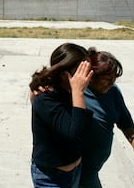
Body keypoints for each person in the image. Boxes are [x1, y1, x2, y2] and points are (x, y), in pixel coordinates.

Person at [79, 47, 134, 188]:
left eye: (114, 79)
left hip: (94, 168)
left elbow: (125, 121)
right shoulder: (77, 91)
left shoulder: (113, 92)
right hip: (79, 170)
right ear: (91, 75)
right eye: (107, 79)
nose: (111, 83)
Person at [29, 43, 94, 188]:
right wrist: (78, 92)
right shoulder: (46, 98)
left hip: (75, 171)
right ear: (65, 74)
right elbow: (76, 135)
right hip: (50, 178)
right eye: (82, 72)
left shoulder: (70, 91)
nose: (88, 77)